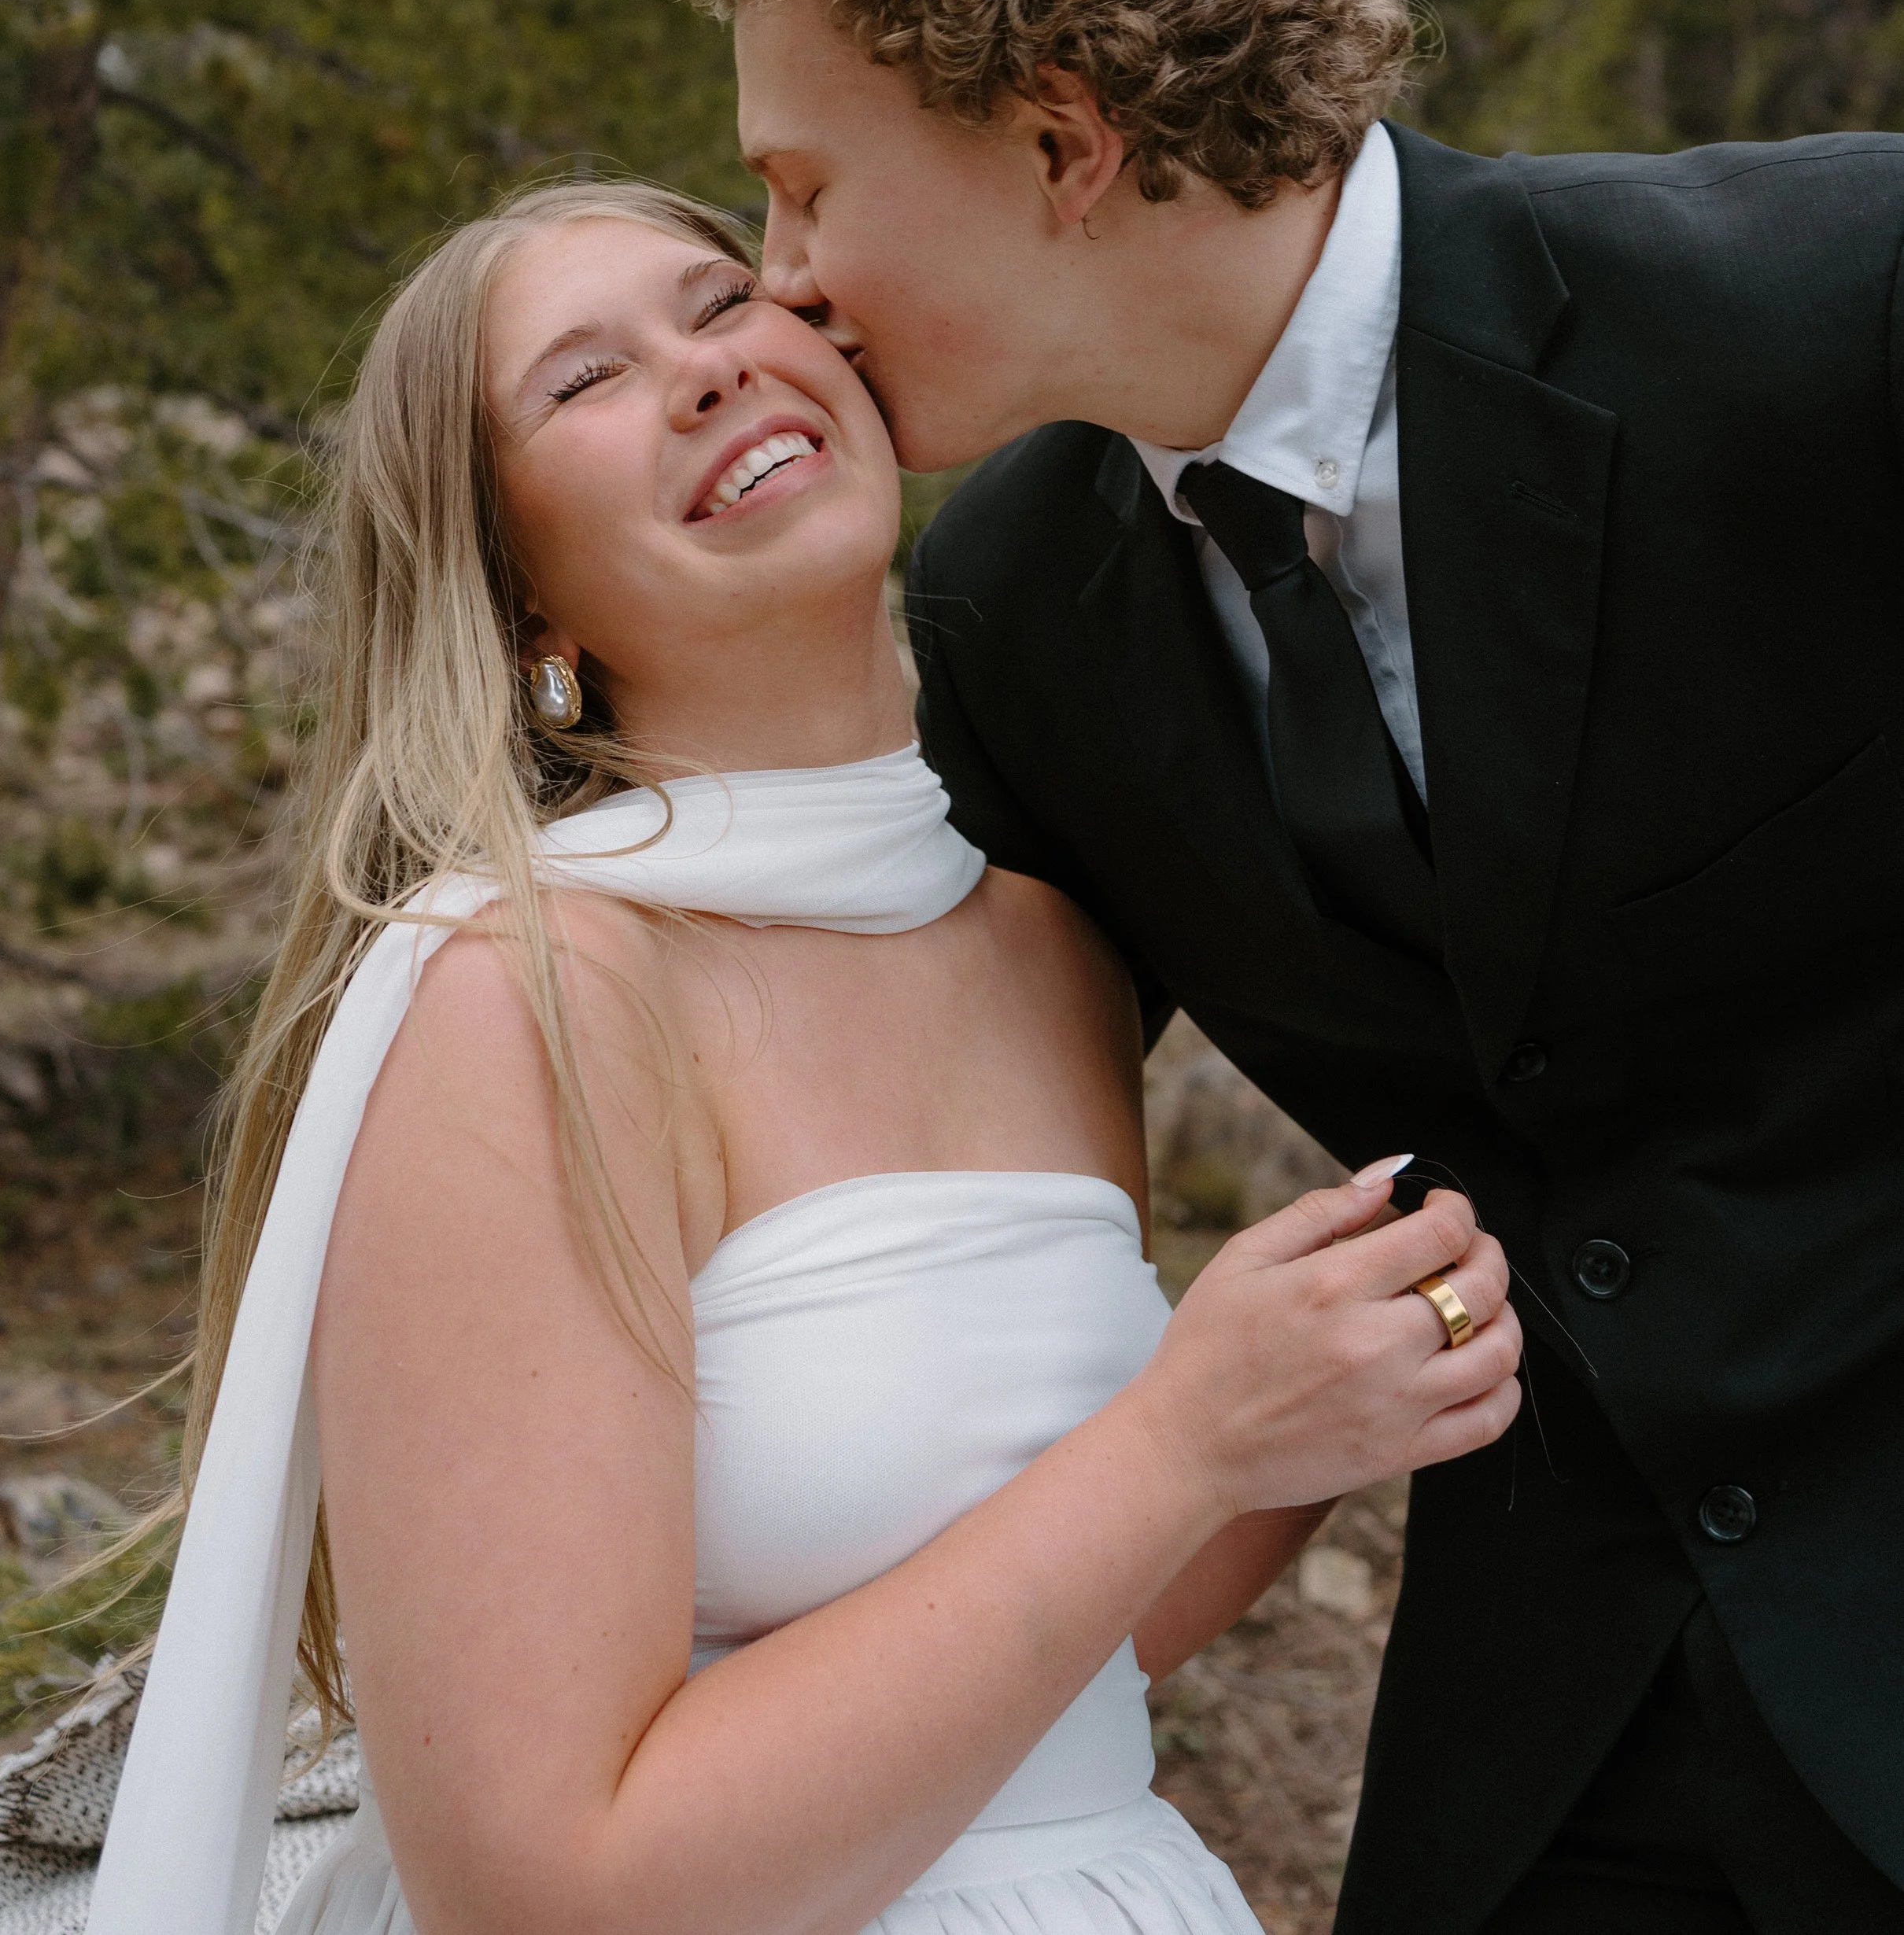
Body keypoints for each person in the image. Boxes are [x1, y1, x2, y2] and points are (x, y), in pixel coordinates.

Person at [654, 0, 1904, 1935]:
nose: (783, 283)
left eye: (806, 188)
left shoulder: (1829, 303)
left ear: (1059, 131)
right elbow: (888, 1093)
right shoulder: (1012, 618)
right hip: (1539, 1751)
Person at [87, 175, 1518, 1935]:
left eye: (716, 302)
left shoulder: (1042, 951)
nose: (702, 373)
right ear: (523, 604)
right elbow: (544, 1892)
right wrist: (1182, 1445)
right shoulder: (528, 1001)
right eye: (581, 382)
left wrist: (1305, 1405)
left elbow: (1032, 1652)